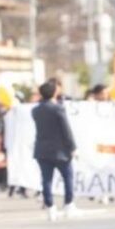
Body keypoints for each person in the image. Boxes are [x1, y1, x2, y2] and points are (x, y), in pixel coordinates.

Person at [32, 80, 77, 221]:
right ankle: (68, 204)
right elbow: (66, 130)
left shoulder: (36, 110)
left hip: (42, 149)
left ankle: (50, 208)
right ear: (55, 92)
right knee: (68, 177)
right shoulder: (58, 108)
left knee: (46, 180)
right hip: (60, 150)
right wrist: (73, 147)